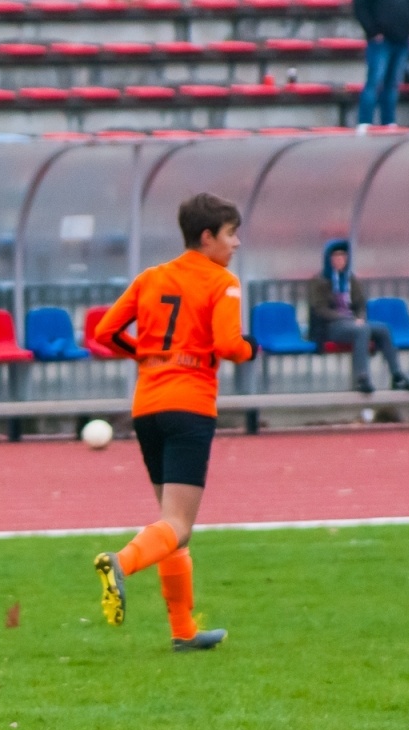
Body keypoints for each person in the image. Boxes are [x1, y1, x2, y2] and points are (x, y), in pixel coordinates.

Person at [90, 193, 258, 652]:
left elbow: (105, 332)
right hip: (190, 406)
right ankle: (119, 562)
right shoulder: (222, 282)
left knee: (170, 523)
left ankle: (183, 631)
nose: (236, 243)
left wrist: (148, 357)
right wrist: (250, 348)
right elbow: (228, 343)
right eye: (230, 234)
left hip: (147, 405)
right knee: (180, 525)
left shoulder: (151, 277)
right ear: (207, 237)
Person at [306, 239, 409, 394]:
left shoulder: (349, 279)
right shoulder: (319, 281)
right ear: (329, 259)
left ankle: (397, 375)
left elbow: (360, 303)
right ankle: (362, 377)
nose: (340, 261)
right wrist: (346, 319)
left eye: (343, 257)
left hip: (353, 322)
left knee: (383, 329)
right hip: (331, 326)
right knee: (362, 331)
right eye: (336, 257)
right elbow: (320, 309)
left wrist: (359, 317)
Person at [355, 0, 409, 126]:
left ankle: (389, 121)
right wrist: (372, 31)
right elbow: (360, 7)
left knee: (393, 84)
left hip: (403, 39)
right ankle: (365, 121)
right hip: (381, 40)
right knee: (374, 82)